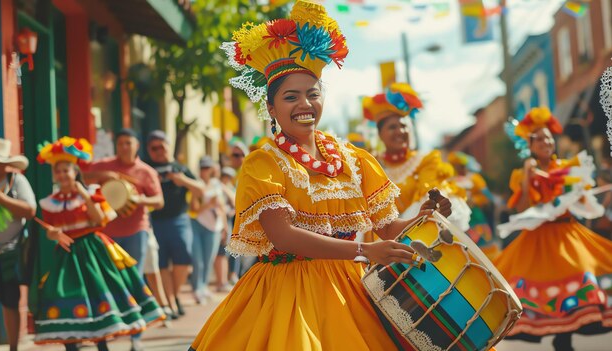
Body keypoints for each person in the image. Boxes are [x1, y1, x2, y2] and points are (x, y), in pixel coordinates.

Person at [188, 2, 454, 350]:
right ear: (271, 107)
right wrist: (364, 250)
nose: (304, 104)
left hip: (352, 289)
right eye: (290, 97)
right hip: (287, 294)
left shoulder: (352, 159)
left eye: (313, 93)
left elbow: (386, 228)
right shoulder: (263, 164)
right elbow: (283, 236)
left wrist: (424, 218)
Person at [29, 136, 164, 350]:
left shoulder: (91, 193)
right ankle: (71, 345)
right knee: (69, 298)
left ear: (75, 172)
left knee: (98, 297)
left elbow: (99, 219)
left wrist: (81, 192)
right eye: (58, 171)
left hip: (92, 252)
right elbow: (51, 231)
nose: (62, 175)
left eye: (67, 170)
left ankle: (103, 346)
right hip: (67, 255)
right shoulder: (49, 202)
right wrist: (54, 234)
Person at [494, 107, 612, 351]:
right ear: (530, 145)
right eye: (539, 139)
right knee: (538, 284)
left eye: (548, 137)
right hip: (538, 239)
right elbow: (522, 207)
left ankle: (565, 337)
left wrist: (582, 192)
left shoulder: (569, 168)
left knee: (580, 273)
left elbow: (583, 204)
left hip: (566, 234)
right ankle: (560, 338)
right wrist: (528, 176)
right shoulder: (523, 173)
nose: (546, 142)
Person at [83, 128, 164, 351]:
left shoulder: (145, 171)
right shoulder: (103, 164)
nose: (124, 148)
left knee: (133, 280)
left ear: (136, 145)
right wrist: (102, 177)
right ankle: (109, 331)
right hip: (106, 233)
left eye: (129, 143)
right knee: (106, 282)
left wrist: (139, 200)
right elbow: (81, 176)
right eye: (121, 144)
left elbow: (159, 201)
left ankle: (135, 336)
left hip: (136, 231)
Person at [362, 83, 472, 232]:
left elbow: (428, 198)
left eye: (404, 126)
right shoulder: (373, 167)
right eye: (392, 127)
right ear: (380, 134)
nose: (400, 131)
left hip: (422, 239)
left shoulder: (425, 161)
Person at [145, 130, 203, 319]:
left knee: (184, 261)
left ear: (168, 146)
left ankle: (175, 296)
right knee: (161, 264)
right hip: (155, 222)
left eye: (161, 146)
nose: (158, 151)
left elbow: (201, 189)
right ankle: (170, 304)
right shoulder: (146, 169)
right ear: (148, 150)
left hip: (179, 220)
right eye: (154, 148)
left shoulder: (180, 168)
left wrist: (182, 180)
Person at [0, 135, 36, 351]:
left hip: (11, 251)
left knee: (10, 300)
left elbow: (30, 210)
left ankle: (13, 348)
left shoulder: (17, 181)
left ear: (2, 164)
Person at [189, 156, 227, 304]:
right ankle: (197, 289)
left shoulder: (217, 184)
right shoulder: (196, 185)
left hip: (214, 227)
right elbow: (194, 209)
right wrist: (209, 205)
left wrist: (224, 227)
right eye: (203, 168)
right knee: (198, 260)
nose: (205, 171)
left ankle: (203, 287)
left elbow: (221, 207)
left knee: (208, 259)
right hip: (197, 225)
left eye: (207, 167)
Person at [447, 151, 500, 259]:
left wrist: (474, 200)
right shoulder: (450, 181)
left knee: (485, 243)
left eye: (461, 166)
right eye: (456, 166)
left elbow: (486, 196)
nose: (460, 169)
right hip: (461, 219)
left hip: (477, 215)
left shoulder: (475, 178)